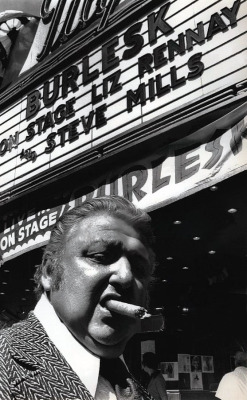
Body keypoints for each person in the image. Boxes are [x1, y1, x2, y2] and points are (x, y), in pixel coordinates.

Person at [0, 195, 156, 400]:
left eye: (139, 268)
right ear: (49, 272)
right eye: (100, 256)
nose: (126, 276)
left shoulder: (129, 383)